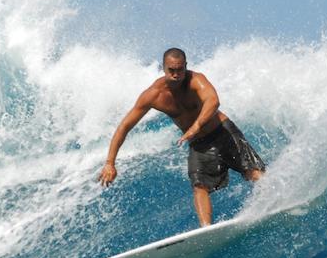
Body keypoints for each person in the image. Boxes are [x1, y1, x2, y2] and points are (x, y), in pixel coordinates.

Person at [98, 47, 266, 226]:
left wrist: (196, 126)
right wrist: (110, 163)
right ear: (163, 68)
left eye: (180, 69)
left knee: (251, 171)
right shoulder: (153, 95)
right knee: (199, 185)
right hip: (200, 143)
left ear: (186, 66)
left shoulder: (196, 80)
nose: (176, 74)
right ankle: (205, 229)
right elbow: (124, 127)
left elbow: (213, 100)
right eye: (171, 70)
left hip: (222, 131)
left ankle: (274, 196)